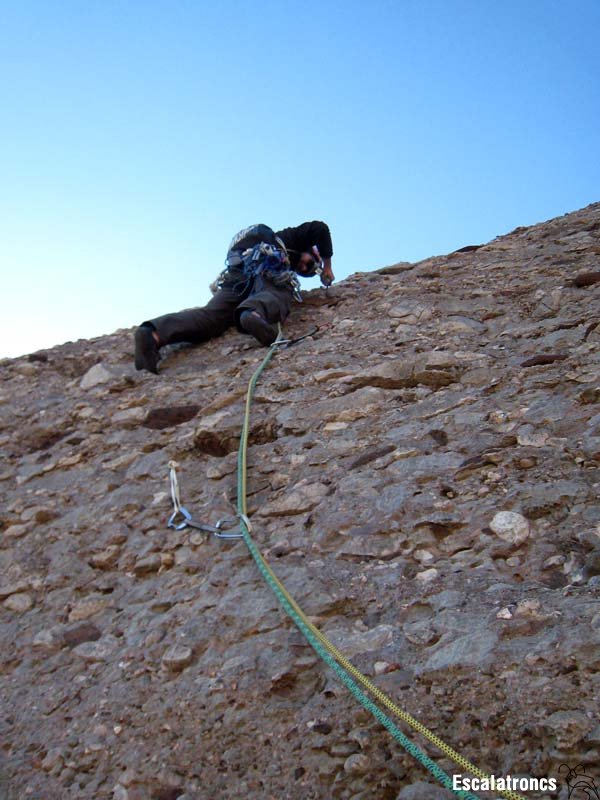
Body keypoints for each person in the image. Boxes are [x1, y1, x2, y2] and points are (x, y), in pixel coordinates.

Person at [134, 220, 334, 374]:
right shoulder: (293, 238)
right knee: (278, 290)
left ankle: (153, 334)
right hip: (267, 264)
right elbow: (321, 228)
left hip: (237, 275)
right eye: (309, 263)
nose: (302, 268)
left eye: (305, 272)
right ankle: (253, 314)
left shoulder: (254, 242)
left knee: (212, 317)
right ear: (309, 250)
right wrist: (327, 267)